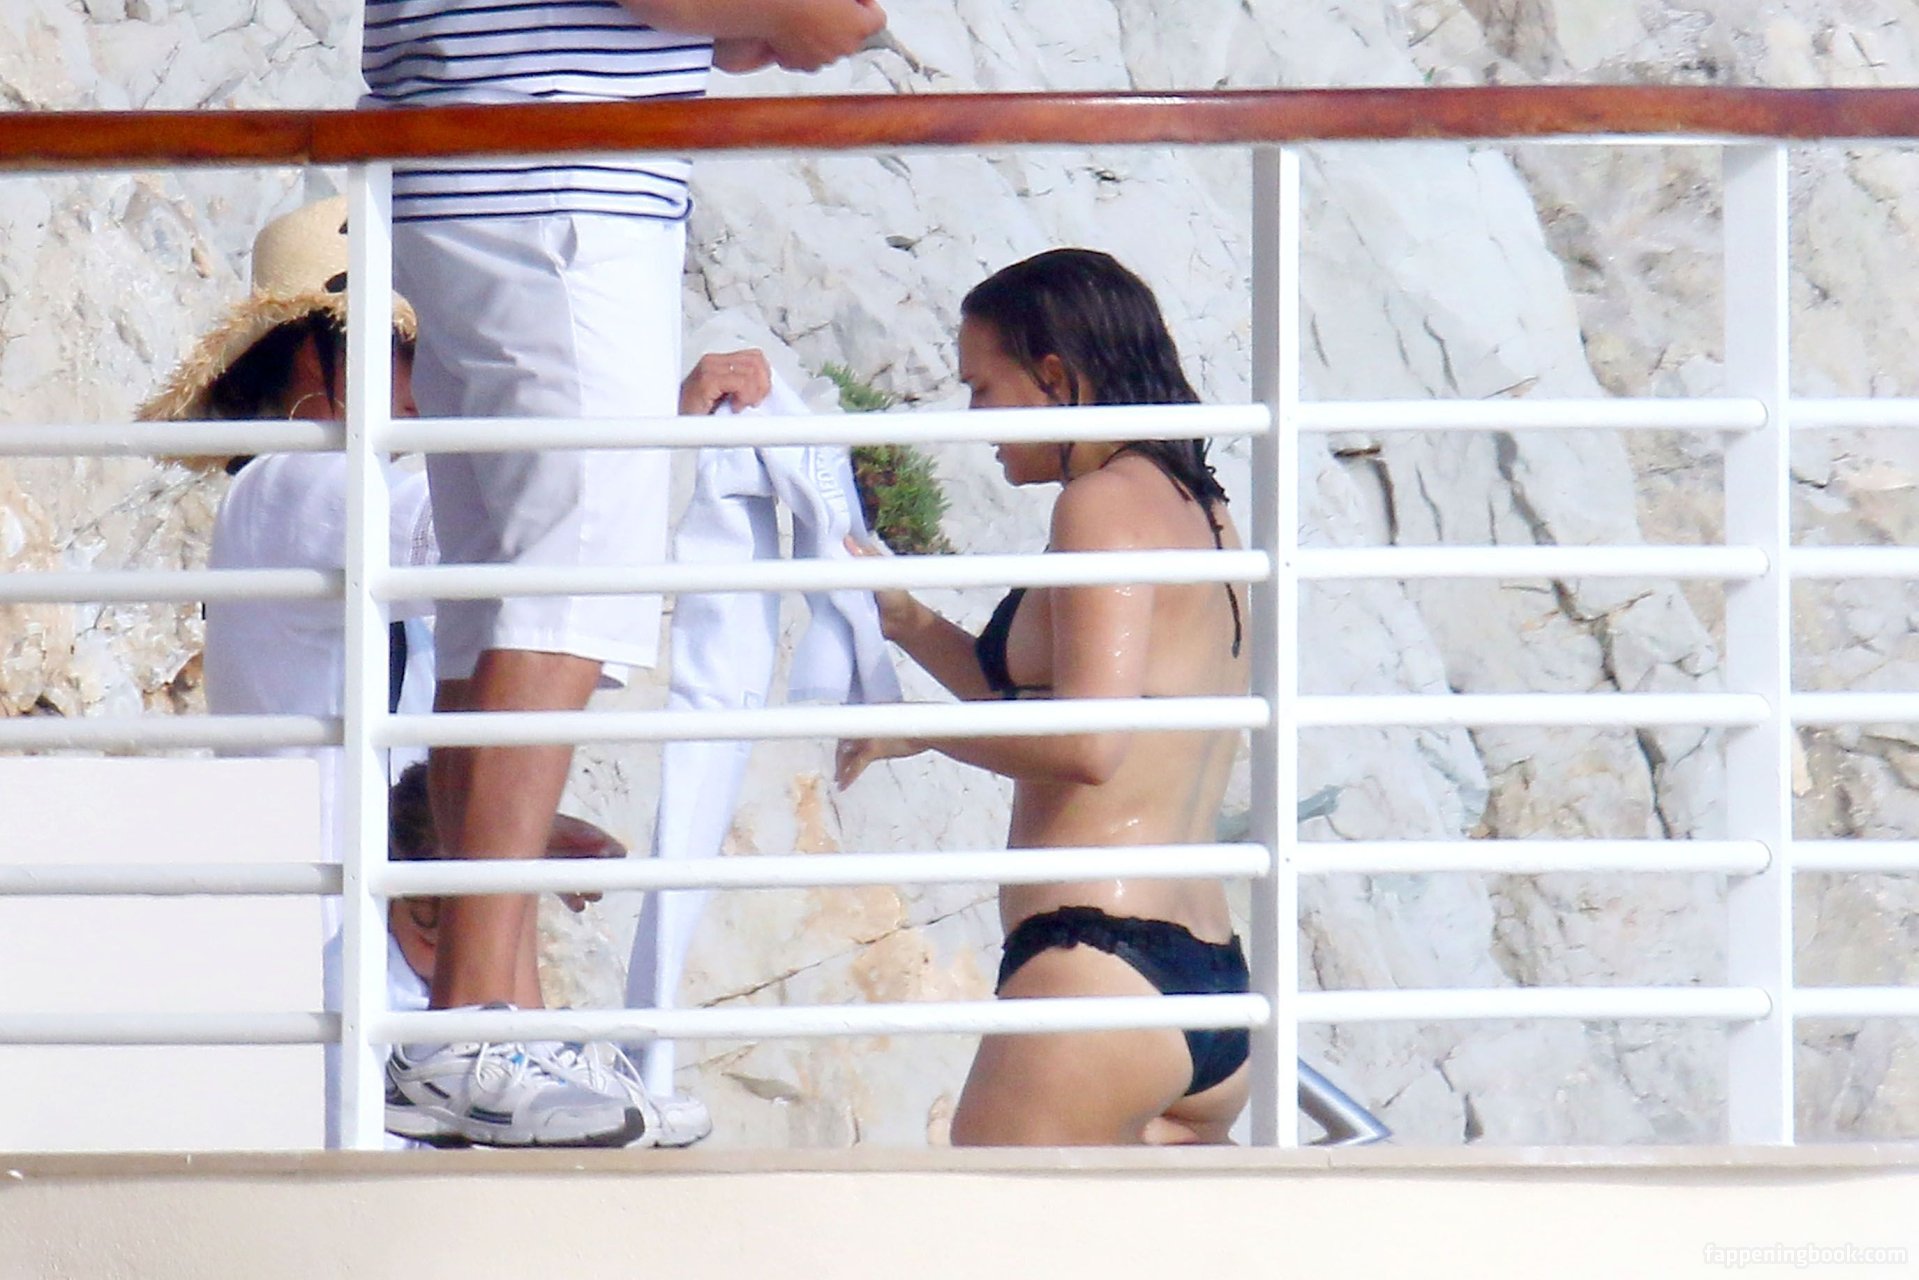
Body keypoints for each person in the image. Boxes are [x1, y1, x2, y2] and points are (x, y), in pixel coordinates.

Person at [364, 0, 885, 1147]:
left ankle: (497, 1021)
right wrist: (790, 16)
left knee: (498, 598)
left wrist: (740, 29)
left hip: (481, 161)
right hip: (556, 179)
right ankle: (472, 1023)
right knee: (568, 580)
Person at [835, 249, 1253, 1145]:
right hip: (1206, 977)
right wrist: (909, 623)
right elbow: (1058, 697)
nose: (974, 419)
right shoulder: (1198, 509)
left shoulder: (1101, 505)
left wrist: (919, 733)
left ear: (1055, 378)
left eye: (982, 388)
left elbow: (1088, 744)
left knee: (996, 1217)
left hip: (1098, 965)